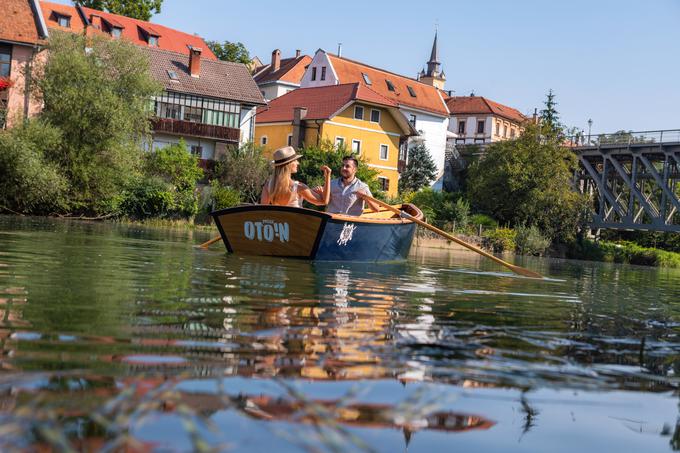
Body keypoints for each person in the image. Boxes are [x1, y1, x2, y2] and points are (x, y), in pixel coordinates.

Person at [260, 146, 331, 208]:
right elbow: (324, 201)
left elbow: (263, 209)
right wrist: (328, 177)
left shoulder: (268, 185)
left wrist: (309, 191)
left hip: (280, 223)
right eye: (295, 160)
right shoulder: (298, 187)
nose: (298, 163)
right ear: (289, 164)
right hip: (297, 223)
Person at [314, 156, 380, 216]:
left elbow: (376, 209)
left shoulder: (362, 187)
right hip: (331, 221)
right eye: (343, 165)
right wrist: (321, 193)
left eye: (347, 166)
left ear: (355, 170)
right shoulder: (331, 184)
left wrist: (365, 197)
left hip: (350, 225)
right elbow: (323, 201)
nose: (343, 168)